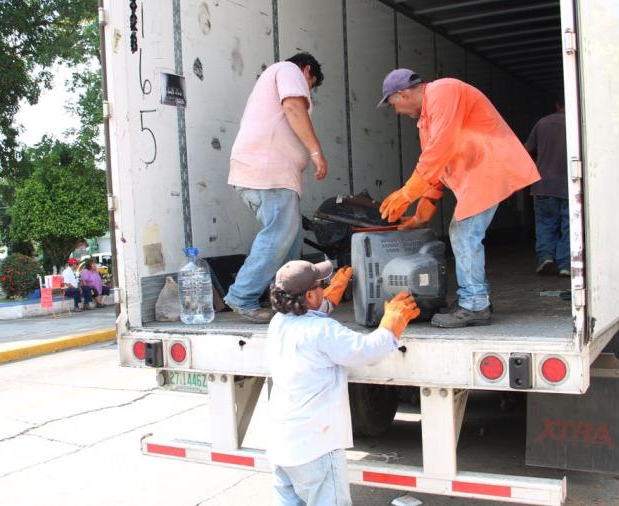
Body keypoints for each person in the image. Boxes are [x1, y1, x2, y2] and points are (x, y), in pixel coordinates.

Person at [377, 69, 540, 328]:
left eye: (394, 104)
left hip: (488, 166)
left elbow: (441, 148)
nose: (397, 112)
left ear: (403, 93)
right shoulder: (426, 121)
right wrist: (420, 216)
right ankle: (476, 297)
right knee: (463, 231)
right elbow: (436, 169)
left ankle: (474, 304)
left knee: (464, 233)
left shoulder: (444, 91)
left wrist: (407, 193)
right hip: (479, 172)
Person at [266, 259, 420, 505]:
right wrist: (391, 324)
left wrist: (329, 299)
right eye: (321, 285)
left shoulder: (278, 323)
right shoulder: (323, 330)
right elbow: (365, 351)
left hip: (281, 444)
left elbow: (308, 313)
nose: (325, 287)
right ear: (309, 295)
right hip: (315, 445)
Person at [224, 52, 329, 323]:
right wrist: (316, 152)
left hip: (269, 173)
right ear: (307, 71)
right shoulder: (288, 70)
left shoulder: (276, 77)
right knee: (279, 233)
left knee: (289, 241)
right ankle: (242, 295)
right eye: (312, 84)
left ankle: (285, 300)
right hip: (267, 171)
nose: (309, 92)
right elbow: (294, 108)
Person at [525, 99, 570, 277]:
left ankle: (546, 259)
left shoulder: (542, 123)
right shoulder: (577, 123)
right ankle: (565, 264)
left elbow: (525, 150)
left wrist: (533, 170)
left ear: (557, 104)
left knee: (545, 223)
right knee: (568, 225)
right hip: (570, 185)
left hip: (543, 185)